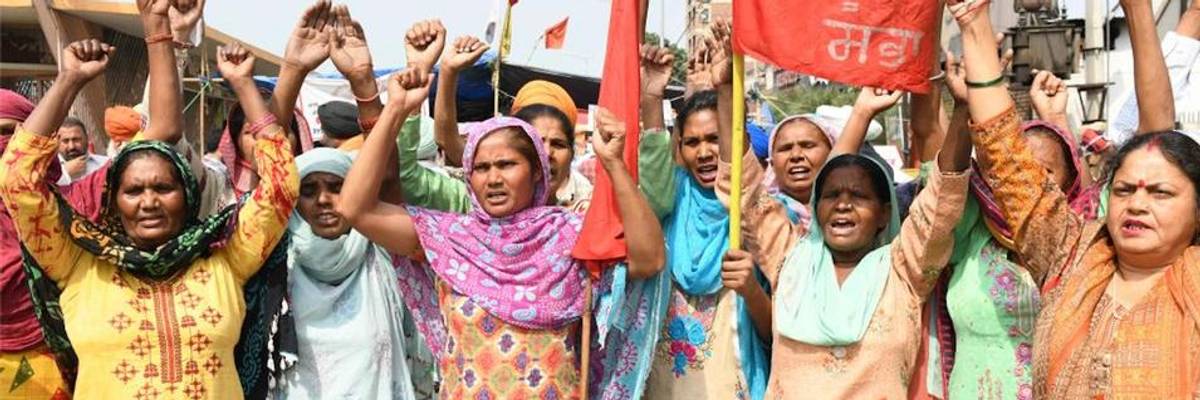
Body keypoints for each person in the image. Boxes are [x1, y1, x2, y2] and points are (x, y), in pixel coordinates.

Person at [337, 57, 665, 399]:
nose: (493, 178)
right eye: (481, 168)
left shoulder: (571, 236)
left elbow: (649, 259)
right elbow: (354, 207)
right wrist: (394, 111)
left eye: (507, 164)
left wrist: (613, 163)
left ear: (537, 171)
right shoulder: (450, 240)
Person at [952, 0, 1200, 396]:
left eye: (1161, 193)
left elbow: (1156, 126)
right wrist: (974, 24)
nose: (1136, 203)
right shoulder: (1071, 254)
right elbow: (1004, 153)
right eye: (1123, 189)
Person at [722, 78, 969, 397]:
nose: (842, 204)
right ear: (816, 205)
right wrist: (727, 86)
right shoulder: (789, 257)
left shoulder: (903, 270)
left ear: (883, 213)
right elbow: (744, 186)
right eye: (832, 194)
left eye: (858, 195)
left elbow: (942, 198)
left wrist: (963, 109)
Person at [56, 116, 109, 184]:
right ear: (57, 142)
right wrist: (65, 174)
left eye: (76, 140)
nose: (71, 146)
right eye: (65, 141)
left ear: (87, 138)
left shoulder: (105, 164)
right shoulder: (47, 171)